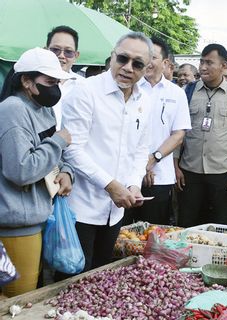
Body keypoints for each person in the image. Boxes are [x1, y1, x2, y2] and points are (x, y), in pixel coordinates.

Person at [61, 32, 153, 274]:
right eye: (122, 58)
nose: (127, 68)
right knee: (72, 280)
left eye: (137, 64)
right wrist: (111, 185)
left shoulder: (145, 101)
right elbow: (72, 149)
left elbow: (140, 149)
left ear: (146, 68)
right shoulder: (86, 91)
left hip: (115, 211)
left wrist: (133, 184)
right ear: (112, 57)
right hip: (81, 207)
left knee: (101, 277)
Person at [0, 47, 74, 296]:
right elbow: (20, 169)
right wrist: (59, 141)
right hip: (16, 225)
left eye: (57, 81)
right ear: (27, 81)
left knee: (30, 295)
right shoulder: (13, 109)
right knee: (16, 300)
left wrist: (66, 172)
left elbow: (53, 158)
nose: (55, 88)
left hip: (39, 216)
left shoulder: (44, 109)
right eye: (49, 81)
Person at [175, 44, 227, 227]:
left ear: (224, 66)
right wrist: (175, 166)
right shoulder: (187, 92)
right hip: (189, 173)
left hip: (223, 174)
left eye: (209, 63)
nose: (203, 67)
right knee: (186, 225)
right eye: (202, 62)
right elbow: (177, 132)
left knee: (220, 226)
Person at [124, 37, 190, 225]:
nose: (147, 62)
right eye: (144, 56)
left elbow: (178, 134)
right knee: (122, 235)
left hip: (161, 176)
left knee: (153, 235)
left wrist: (152, 159)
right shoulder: (130, 87)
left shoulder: (176, 93)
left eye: (152, 57)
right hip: (126, 174)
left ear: (166, 62)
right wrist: (140, 166)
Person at [45, 25, 84, 129]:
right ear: (45, 50)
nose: (61, 56)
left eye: (68, 52)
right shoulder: (32, 84)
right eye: (55, 50)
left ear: (76, 55)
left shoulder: (85, 86)